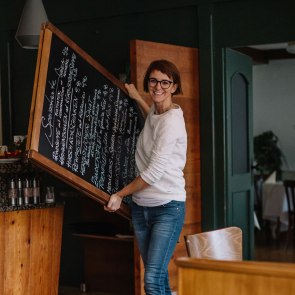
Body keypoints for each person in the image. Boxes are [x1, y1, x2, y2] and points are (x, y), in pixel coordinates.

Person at [105, 59, 187, 295]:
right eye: (153, 80)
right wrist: (136, 97)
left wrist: (119, 194)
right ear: (147, 82)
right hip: (141, 209)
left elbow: (152, 174)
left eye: (165, 82)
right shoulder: (157, 112)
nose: (158, 86)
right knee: (158, 276)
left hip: (167, 208)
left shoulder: (171, 121)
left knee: (151, 279)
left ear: (174, 86)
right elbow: (151, 115)